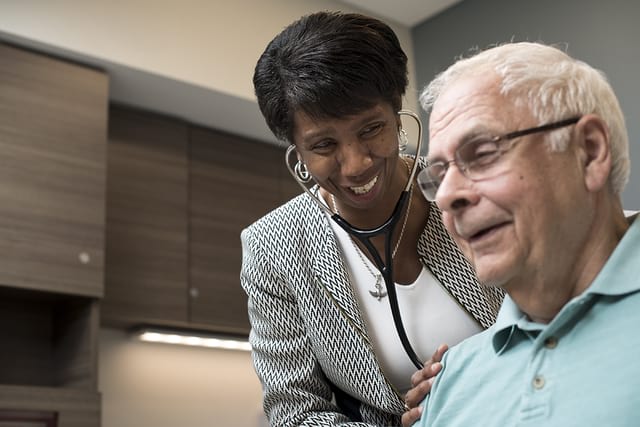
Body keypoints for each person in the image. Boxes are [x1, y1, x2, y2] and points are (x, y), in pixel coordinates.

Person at [240, 11, 504, 426]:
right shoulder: (272, 247)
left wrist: (471, 383)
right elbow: (293, 413)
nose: (355, 164)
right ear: (298, 152)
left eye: (371, 129)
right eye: (324, 144)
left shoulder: (469, 191)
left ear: (398, 115)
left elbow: (552, 321)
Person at [413, 41, 640, 426]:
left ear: (588, 150)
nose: (448, 196)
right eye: (439, 174)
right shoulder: (450, 380)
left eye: (482, 153)